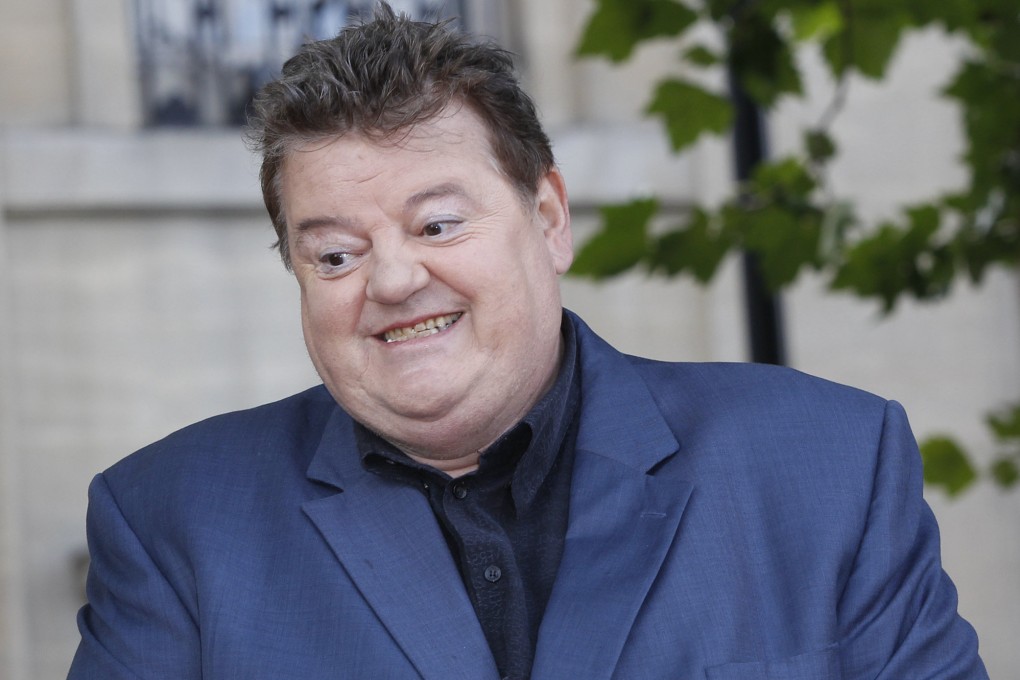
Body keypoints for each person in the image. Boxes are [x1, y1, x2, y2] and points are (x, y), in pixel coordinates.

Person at [68, 4, 987, 679]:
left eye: (435, 227)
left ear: (548, 217)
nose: (391, 281)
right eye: (337, 253)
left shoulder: (828, 466)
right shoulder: (171, 522)